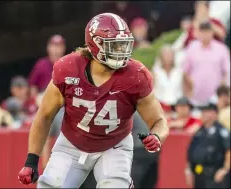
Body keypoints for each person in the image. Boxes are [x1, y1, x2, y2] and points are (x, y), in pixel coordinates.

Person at [18, 13, 169, 188]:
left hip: (114, 146)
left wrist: (157, 136)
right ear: (96, 44)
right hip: (72, 144)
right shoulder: (68, 69)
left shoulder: (135, 75)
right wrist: (31, 160)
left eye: (123, 45)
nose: (122, 51)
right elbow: (44, 115)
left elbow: (158, 120)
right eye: (116, 46)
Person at [183, 21, 230, 106]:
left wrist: (222, 90)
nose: (205, 35)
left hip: (215, 98)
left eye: (208, 32)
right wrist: (191, 86)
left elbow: (227, 72)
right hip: (195, 98)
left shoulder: (221, 49)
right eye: (203, 32)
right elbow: (185, 72)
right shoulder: (192, 48)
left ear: (212, 32)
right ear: (199, 33)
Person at [186, 103, 230, 188]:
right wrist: (188, 170)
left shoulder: (221, 131)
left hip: (214, 174)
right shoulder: (199, 131)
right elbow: (191, 150)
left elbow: (229, 150)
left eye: (206, 111)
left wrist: (225, 169)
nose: (203, 114)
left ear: (214, 114)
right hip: (199, 173)